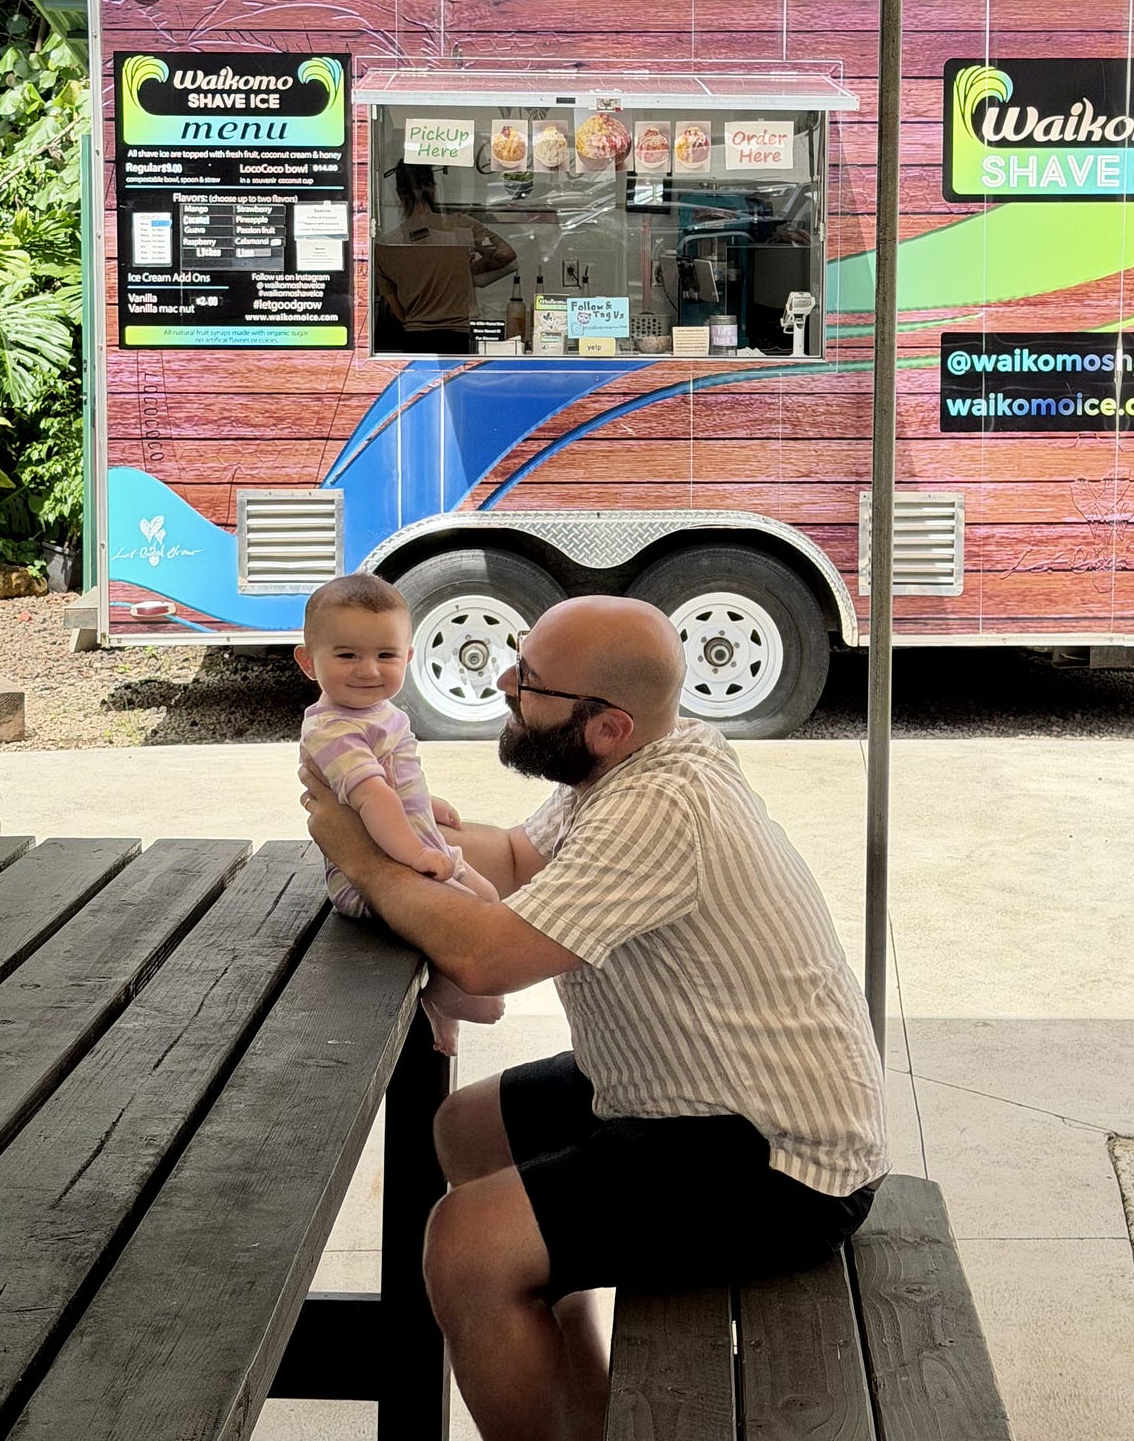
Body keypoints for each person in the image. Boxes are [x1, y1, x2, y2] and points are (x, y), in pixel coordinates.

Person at [301, 594, 888, 1441]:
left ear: (606, 725)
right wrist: (396, 827)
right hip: (684, 1084)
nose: (503, 680)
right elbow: (510, 860)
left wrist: (360, 857)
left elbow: (485, 956)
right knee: (469, 1127)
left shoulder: (661, 808)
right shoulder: (635, 762)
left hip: (780, 1156)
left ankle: (536, 1366)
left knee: (466, 1247)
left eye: (529, 678)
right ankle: (577, 1397)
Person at [295, 572, 504, 1054]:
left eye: (386, 656)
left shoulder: (383, 714)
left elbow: (390, 783)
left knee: (488, 896)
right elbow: (371, 796)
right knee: (463, 920)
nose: (369, 670)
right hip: (368, 877)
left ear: (408, 657)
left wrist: (425, 803)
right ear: (309, 663)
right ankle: (444, 993)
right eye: (347, 655)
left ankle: (439, 1003)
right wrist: (414, 854)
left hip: (412, 850)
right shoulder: (333, 729)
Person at [373, 162, 518, 354]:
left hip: (414, 338)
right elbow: (505, 254)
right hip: (461, 336)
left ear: (399, 194)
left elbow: (399, 312)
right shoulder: (462, 227)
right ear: (433, 189)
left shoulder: (385, 246)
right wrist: (468, 270)